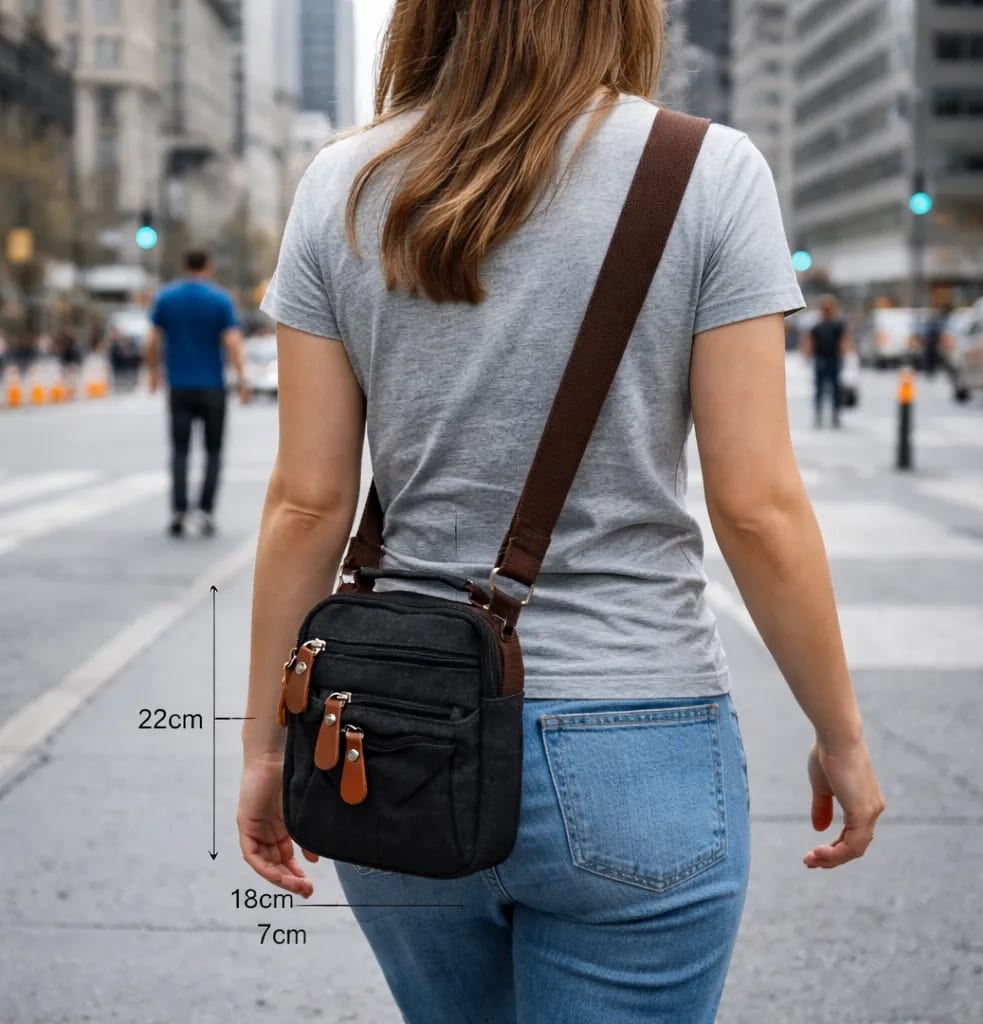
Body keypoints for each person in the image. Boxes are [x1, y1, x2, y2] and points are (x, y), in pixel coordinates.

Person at [237, 3, 885, 1021]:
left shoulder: (345, 183)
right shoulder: (707, 172)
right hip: (638, 734)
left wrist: (266, 747)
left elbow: (305, 502)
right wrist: (837, 730)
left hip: (396, 732)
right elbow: (756, 507)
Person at [145, 249, 249, 537]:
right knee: (213, 451)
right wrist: (241, 380)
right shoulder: (220, 300)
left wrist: (153, 373)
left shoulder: (166, 297)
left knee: (180, 450)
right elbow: (232, 343)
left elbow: (152, 340)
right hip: (212, 387)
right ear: (209, 266)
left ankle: (178, 510)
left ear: (184, 265)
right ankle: (205, 510)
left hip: (179, 387)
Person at [802, 294, 851, 428]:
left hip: (834, 360)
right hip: (820, 360)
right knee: (819, 390)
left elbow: (844, 341)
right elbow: (810, 342)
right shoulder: (817, 326)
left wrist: (846, 355)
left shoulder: (838, 325)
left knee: (836, 390)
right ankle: (818, 416)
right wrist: (807, 356)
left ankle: (836, 417)